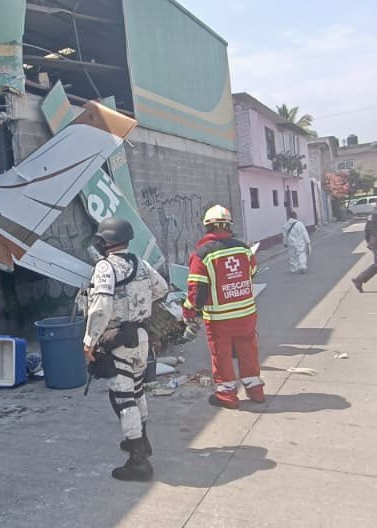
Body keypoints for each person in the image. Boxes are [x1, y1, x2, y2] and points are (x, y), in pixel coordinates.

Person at [83, 217, 168, 482]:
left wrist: (89, 340)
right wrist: (136, 305)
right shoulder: (140, 264)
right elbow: (162, 289)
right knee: (138, 389)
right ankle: (141, 441)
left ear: (104, 241)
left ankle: (138, 461)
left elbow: (101, 307)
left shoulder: (105, 268)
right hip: (140, 335)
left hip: (118, 338)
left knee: (124, 398)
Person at [183, 205, 263, 410]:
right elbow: (252, 271)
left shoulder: (203, 253)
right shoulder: (243, 248)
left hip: (220, 317)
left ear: (207, 227)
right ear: (228, 226)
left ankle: (227, 395)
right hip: (246, 313)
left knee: (222, 354)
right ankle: (255, 389)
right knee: (248, 349)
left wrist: (189, 311)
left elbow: (197, 288)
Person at [352, 208, 377, 292]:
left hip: (373, 240)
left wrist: (369, 241)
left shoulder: (371, 214)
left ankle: (359, 279)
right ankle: (359, 279)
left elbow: (367, 230)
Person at [283, 209, 311, 274]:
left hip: (291, 243)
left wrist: (285, 243)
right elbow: (304, 233)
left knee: (292, 256)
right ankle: (302, 266)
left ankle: (294, 269)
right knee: (301, 254)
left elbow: (284, 236)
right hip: (300, 243)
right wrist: (308, 241)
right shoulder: (299, 224)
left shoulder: (285, 225)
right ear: (295, 216)